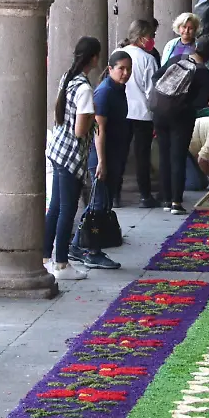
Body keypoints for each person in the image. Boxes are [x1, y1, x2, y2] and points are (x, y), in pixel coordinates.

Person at [44, 36, 103, 280]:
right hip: (71, 154)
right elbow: (80, 130)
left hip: (58, 148)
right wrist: (93, 120)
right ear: (94, 58)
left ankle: (46, 257)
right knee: (67, 209)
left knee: (55, 207)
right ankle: (61, 263)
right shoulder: (85, 89)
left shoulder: (68, 78)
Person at [153, 34, 209, 215]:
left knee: (164, 155)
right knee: (178, 157)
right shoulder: (204, 72)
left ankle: (165, 198)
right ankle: (176, 201)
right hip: (182, 117)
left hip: (160, 112)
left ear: (196, 46)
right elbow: (201, 102)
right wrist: (184, 104)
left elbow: (156, 77)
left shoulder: (177, 59)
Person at [80, 51, 130, 268]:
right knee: (98, 204)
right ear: (110, 69)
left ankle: (77, 245)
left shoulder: (119, 89)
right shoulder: (105, 92)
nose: (125, 73)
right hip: (101, 155)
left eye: (128, 69)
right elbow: (99, 130)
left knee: (99, 202)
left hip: (113, 153)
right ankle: (93, 251)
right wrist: (101, 161)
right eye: (121, 69)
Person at [119, 19, 163, 208]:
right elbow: (151, 91)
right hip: (142, 113)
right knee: (142, 156)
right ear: (143, 37)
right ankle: (145, 195)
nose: (153, 39)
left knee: (119, 155)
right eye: (151, 36)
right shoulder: (148, 59)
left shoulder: (118, 54)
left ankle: (115, 194)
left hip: (121, 111)